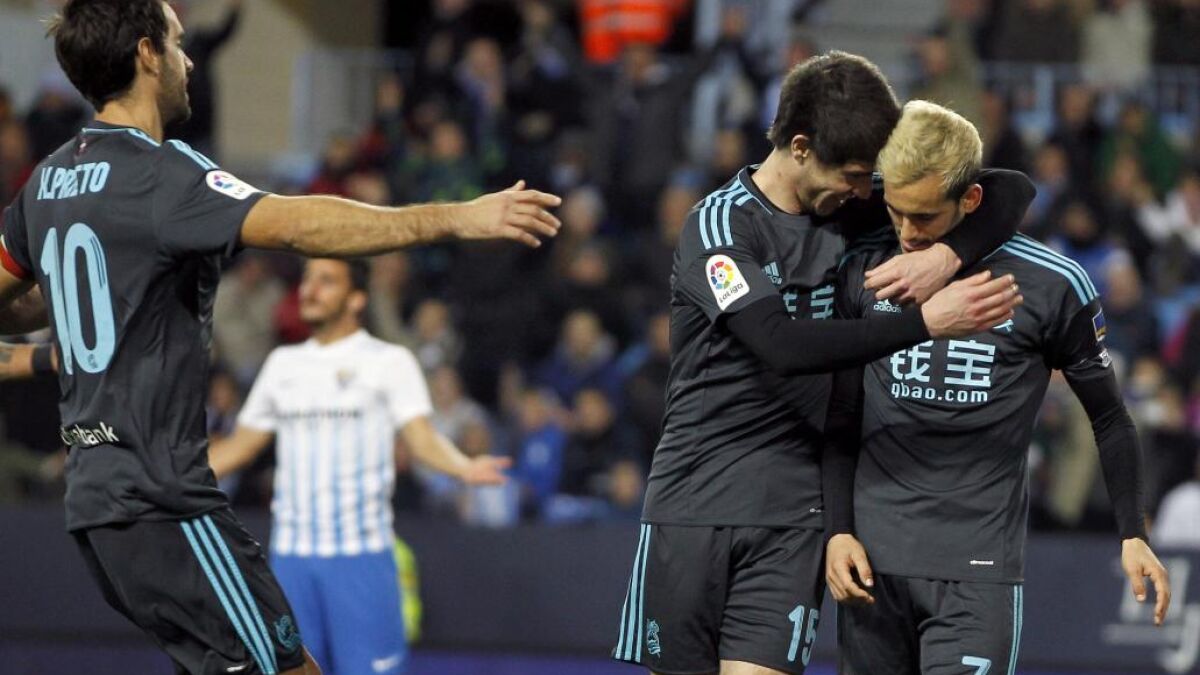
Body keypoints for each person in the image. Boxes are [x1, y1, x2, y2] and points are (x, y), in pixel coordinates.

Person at [0, 1, 559, 673]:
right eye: (176, 43)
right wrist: (454, 218)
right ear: (146, 54)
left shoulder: (47, 182)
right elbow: (300, 225)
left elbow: (31, 301)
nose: (187, 61)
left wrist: (40, 354)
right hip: (165, 501)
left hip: (95, 506)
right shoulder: (163, 172)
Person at [613, 51, 1031, 675]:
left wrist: (943, 258)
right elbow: (779, 346)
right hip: (697, 503)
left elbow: (1010, 189)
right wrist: (924, 324)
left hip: (795, 516)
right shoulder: (720, 229)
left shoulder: (847, 208)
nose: (867, 193)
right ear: (801, 147)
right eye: (857, 176)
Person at [822, 100, 1171, 675]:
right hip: (870, 564)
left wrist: (1132, 532)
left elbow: (1109, 416)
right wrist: (837, 530)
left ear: (971, 200)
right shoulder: (864, 267)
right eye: (895, 213)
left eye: (924, 217)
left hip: (976, 571)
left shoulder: (1052, 284)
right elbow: (841, 412)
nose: (907, 233)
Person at [207, 258, 508, 674]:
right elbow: (241, 445)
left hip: (361, 562)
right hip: (290, 564)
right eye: (307, 279)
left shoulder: (389, 361)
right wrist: (162, 478)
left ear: (356, 299)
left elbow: (421, 438)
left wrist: (463, 467)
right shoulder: (282, 365)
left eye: (326, 281)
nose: (310, 290)